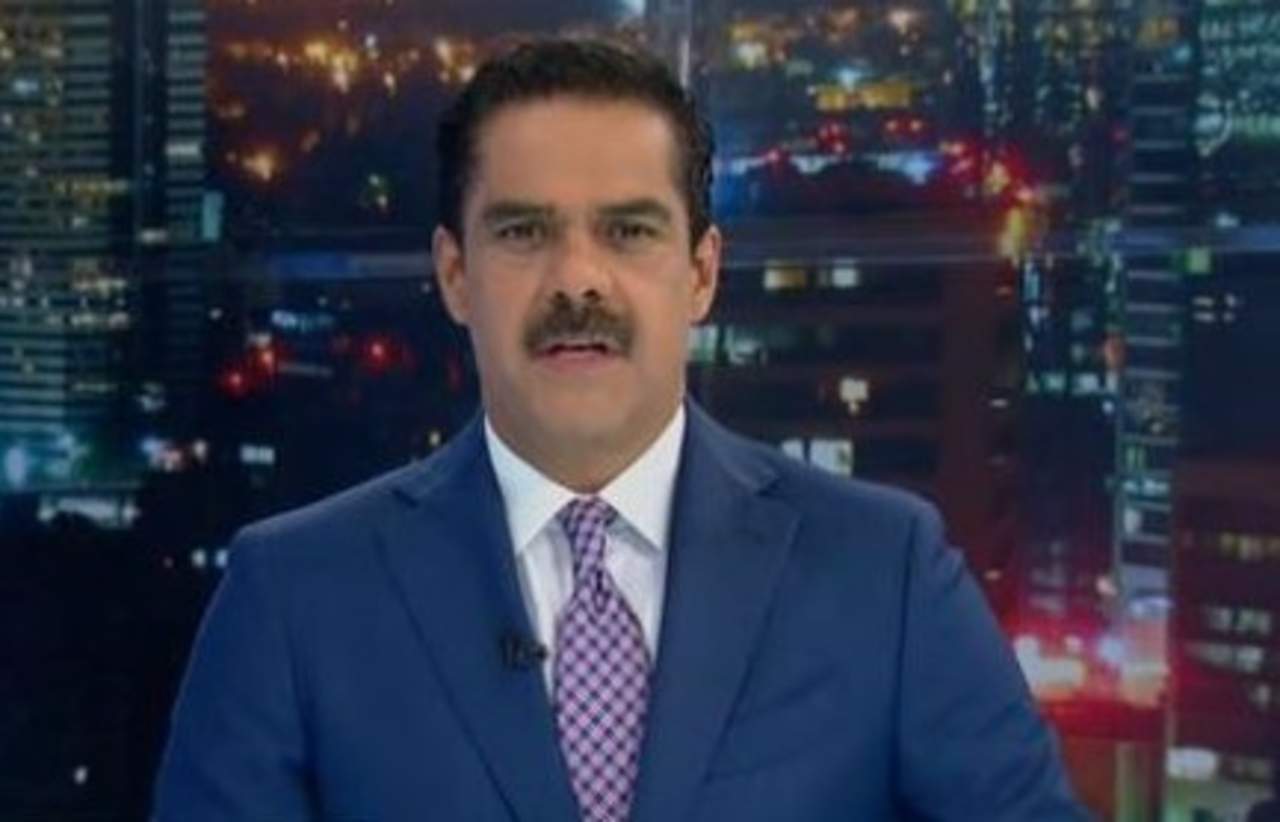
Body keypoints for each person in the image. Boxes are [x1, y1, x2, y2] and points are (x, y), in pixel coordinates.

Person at [153, 38, 1089, 821]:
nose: (578, 280)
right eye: (524, 232)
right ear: (454, 274)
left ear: (701, 274)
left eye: (629, 231)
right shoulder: (293, 596)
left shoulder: (886, 575)